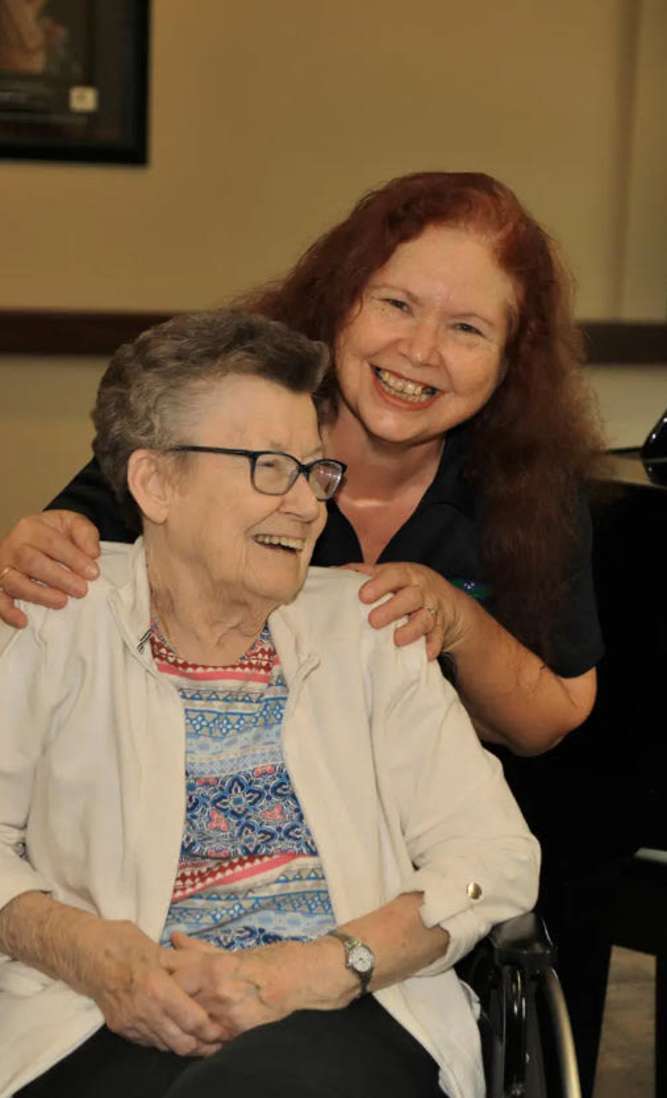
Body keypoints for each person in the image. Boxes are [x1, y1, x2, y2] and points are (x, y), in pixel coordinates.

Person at [0, 172, 607, 1087]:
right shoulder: (90, 587)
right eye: (396, 303)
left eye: (467, 328)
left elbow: (532, 754)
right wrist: (103, 955)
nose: (422, 350)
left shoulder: (408, 593)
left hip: (353, 959)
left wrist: (317, 966)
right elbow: (66, 568)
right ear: (153, 484)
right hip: (105, 995)